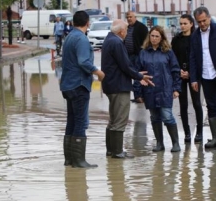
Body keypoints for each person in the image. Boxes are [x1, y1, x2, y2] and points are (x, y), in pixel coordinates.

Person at [101, 20, 154, 159]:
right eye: (126, 29)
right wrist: (139, 76)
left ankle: (111, 151)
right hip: (118, 86)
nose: (127, 32)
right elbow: (125, 65)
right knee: (119, 120)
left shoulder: (109, 39)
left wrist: (137, 74)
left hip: (111, 84)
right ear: (121, 31)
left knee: (113, 120)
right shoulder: (117, 42)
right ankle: (117, 152)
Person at [60, 11, 105, 168]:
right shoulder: (81, 39)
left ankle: (69, 159)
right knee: (80, 121)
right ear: (88, 23)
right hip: (79, 85)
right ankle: (79, 160)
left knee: (71, 121)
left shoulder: (69, 37)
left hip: (67, 84)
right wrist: (98, 72)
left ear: (73, 22)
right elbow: (83, 61)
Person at [189, 6, 216, 150]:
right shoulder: (194, 36)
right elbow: (193, 59)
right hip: (205, 75)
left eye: (204, 20)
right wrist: (194, 79)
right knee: (211, 105)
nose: (202, 24)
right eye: (199, 22)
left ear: (209, 17)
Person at [135, 26, 182, 153]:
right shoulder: (143, 52)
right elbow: (138, 73)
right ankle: (159, 143)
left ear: (162, 38)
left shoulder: (168, 52)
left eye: (157, 36)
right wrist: (138, 92)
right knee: (154, 117)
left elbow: (175, 70)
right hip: (150, 90)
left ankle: (175, 143)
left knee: (167, 116)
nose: (154, 38)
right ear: (149, 37)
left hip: (165, 89)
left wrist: (176, 88)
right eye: (152, 36)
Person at [171, 14, 203, 144]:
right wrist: (179, 71)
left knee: (196, 103)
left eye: (185, 23)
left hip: (194, 74)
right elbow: (172, 57)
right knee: (182, 105)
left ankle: (199, 132)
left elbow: (199, 57)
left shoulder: (197, 37)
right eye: (181, 23)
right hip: (180, 74)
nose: (182, 26)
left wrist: (191, 72)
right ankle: (187, 133)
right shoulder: (176, 39)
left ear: (191, 24)